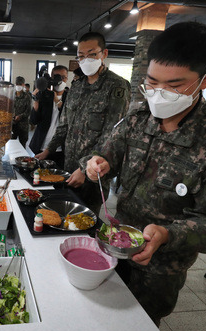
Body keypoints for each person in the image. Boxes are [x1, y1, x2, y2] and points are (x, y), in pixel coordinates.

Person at [85, 22, 206, 326]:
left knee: (140, 324)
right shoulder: (139, 116)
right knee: (100, 319)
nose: (159, 94)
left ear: (205, 80)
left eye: (175, 86)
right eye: (152, 82)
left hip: (161, 268)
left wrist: (167, 234)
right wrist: (100, 161)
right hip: (115, 243)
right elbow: (111, 151)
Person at [36, 32, 131, 212]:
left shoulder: (117, 87)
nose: (85, 59)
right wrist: (48, 150)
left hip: (93, 172)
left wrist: (83, 168)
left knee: (85, 219)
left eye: (92, 54)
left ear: (104, 54)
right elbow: (64, 124)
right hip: (68, 165)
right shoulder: (77, 86)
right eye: (81, 56)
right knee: (64, 213)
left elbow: (112, 135)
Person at [29, 65, 70, 168]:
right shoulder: (44, 95)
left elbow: (70, 120)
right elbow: (33, 121)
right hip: (40, 146)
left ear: (67, 78)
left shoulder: (71, 97)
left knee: (58, 179)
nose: (60, 80)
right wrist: (36, 101)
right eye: (56, 77)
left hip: (60, 149)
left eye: (63, 77)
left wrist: (58, 102)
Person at [12, 76, 32, 147]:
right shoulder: (12, 95)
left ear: (23, 85)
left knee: (22, 144)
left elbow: (28, 111)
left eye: (20, 84)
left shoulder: (27, 96)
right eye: (17, 84)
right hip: (13, 124)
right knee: (11, 144)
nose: (18, 86)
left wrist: (20, 116)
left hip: (23, 125)